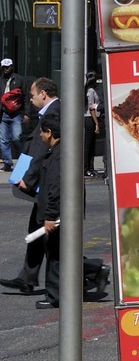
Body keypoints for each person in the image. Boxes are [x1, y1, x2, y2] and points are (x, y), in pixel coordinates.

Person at [0, 77, 60, 294]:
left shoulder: (53, 113)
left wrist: (29, 178)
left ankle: (90, 271)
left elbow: (43, 151)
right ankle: (27, 278)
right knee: (37, 229)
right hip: (42, 181)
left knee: (51, 237)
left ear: (43, 93)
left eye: (33, 95)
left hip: (47, 182)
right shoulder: (48, 112)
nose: (31, 100)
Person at [31, 110, 61, 309]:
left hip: (56, 217)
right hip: (58, 215)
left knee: (56, 256)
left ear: (49, 132)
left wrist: (50, 216)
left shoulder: (58, 156)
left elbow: (55, 188)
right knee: (60, 255)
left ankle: (54, 296)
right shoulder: (57, 153)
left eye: (41, 132)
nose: (40, 136)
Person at [0, 59, 24, 170]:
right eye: (4, 67)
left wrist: (27, 113)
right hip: (3, 114)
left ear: (12, 67)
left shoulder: (19, 79)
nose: (6, 69)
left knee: (16, 137)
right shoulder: (0, 80)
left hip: (16, 113)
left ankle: (22, 161)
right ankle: (7, 163)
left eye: (8, 67)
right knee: (3, 140)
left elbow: (26, 97)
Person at [84, 72, 102, 178]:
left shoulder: (86, 90)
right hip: (90, 119)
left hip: (89, 119)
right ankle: (87, 168)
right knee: (88, 145)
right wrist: (96, 123)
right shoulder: (90, 91)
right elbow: (91, 109)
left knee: (90, 145)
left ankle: (90, 167)